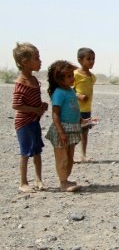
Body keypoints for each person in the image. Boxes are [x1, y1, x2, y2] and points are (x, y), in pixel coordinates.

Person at [11, 43, 49, 193]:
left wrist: (41, 106)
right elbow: (17, 105)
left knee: (37, 151)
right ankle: (23, 182)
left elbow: (34, 101)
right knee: (25, 153)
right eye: (37, 58)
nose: (40, 61)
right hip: (24, 123)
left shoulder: (33, 80)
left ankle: (38, 179)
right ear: (25, 62)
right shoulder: (21, 83)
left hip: (34, 122)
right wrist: (35, 110)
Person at [45, 60, 82, 192]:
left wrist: (82, 120)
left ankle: (66, 179)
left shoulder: (71, 91)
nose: (72, 78)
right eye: (69, 76)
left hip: (72, 128)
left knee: (70, 156)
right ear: (59, 79)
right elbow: (55, 115)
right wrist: (61, 132)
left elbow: (74, 108)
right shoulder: (59, 93)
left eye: (72, 75)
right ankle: (63, 182)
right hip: (62, 130)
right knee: (62, 158)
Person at [73, 47, 96, 163]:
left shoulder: (92, 77)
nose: (91, 61)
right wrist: (79, 96)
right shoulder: (75, 74)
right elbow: (69, 89)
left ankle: (83, 155)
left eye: (93, 59)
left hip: (86, 110)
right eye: (88, 59)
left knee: (85, 132)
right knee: (73, 132)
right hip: (75, 109)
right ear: (80, 60)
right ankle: (70, 155)